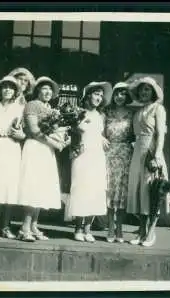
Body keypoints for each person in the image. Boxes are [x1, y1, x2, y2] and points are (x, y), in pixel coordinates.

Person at [15, 76, 70, 242]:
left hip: (47, 151)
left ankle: (33, 225)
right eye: (44, 88)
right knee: (33, 187)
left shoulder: (53, 110)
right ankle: (24, 227)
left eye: (50, 89)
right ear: (38, 90)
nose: (47, 92)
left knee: (42, 188)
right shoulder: (32, 105)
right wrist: (55, 143)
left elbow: (58, 131)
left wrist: (64, 140)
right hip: (35, 149)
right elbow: (33, 130)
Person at [66, 81, 112, 243]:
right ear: (88, 95)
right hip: (82, 155)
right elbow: (72, 131)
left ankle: (87, 229)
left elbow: (96, 131)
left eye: (101, 95)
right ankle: (78, 228)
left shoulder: (101, 115)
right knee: (81, 189)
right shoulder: (78, 112)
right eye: (96, 94)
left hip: (97, 156)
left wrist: (101, 137)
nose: (99, 98)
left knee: (95, 190)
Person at [126, 76, 168, 247]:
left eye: (147, 89)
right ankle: (141, 231)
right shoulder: (137, 112)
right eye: (141, 89)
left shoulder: (158, 109)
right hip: (137, 153)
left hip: (151, 153)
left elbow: (161, 134)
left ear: (153, 92)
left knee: (153, 192)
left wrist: (157, 155)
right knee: (139, 192)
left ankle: (151, 233)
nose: (144, 92)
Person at [0, 76, 26, 239]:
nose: (7, 90)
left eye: (11, 87)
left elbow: (24, 132)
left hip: (12, 147)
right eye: (4, 87)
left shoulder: (19, 108)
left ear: (15, 91)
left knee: (10, 187)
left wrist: (21, 135)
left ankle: (6, 226)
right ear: (0, 90)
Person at [104, 82, 136, 243]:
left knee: (122, 191)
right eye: (117, 93)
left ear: (127, 96)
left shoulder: (132, 114)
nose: (119, 97)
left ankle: (120, 228)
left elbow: (136, 134)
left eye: (123, 94)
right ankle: (110, 226)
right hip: (109, 153)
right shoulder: (107, 112)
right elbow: (99, 130)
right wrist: (102, 137)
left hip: (125, 154)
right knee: (110, 189)